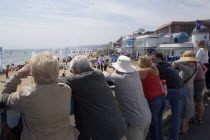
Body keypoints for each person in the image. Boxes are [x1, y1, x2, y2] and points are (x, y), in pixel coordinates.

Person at [1, 52, 78, 140]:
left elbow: (5, 95)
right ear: (57, 71)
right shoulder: (66, 90)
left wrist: (18, 74)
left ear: (32, 73)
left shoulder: (27, 95)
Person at [60, 55, 126, 140]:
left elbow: (59, 81)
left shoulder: (76, 80)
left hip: (102, 135)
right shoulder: (99, 74)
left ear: (75, 69)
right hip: (118, 129)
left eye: (71, 70)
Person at [104, 55, 151, 140]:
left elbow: (104, 75)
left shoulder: (119, 78)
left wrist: (113, 72)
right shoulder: (136, 74)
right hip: (146, 115)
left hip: (135, 121)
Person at [150, 52, 185, 140]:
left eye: (152, 59)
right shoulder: (167, 64)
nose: (151, 61)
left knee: (158, 111)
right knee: (176, 116)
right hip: (181, 89)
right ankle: (173, 138)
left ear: (158, 59)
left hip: (171, 90)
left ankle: (159, 136)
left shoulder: (157, 67)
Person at [137, 55, 165, 140]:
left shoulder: (143, 71)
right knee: (159, 123)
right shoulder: (155, 70)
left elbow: (132, 71)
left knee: (153, 125)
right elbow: (151, 65)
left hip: (153, 100)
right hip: (161, 98)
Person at [173, 51, 198, 134]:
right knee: (188, 107)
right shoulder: (195, 65)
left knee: (184, 109)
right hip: (190, 87)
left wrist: (184, 61)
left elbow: (176, 62)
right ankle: (186, 127)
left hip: (185, 88)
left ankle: (183, 129)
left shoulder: (188, 68)